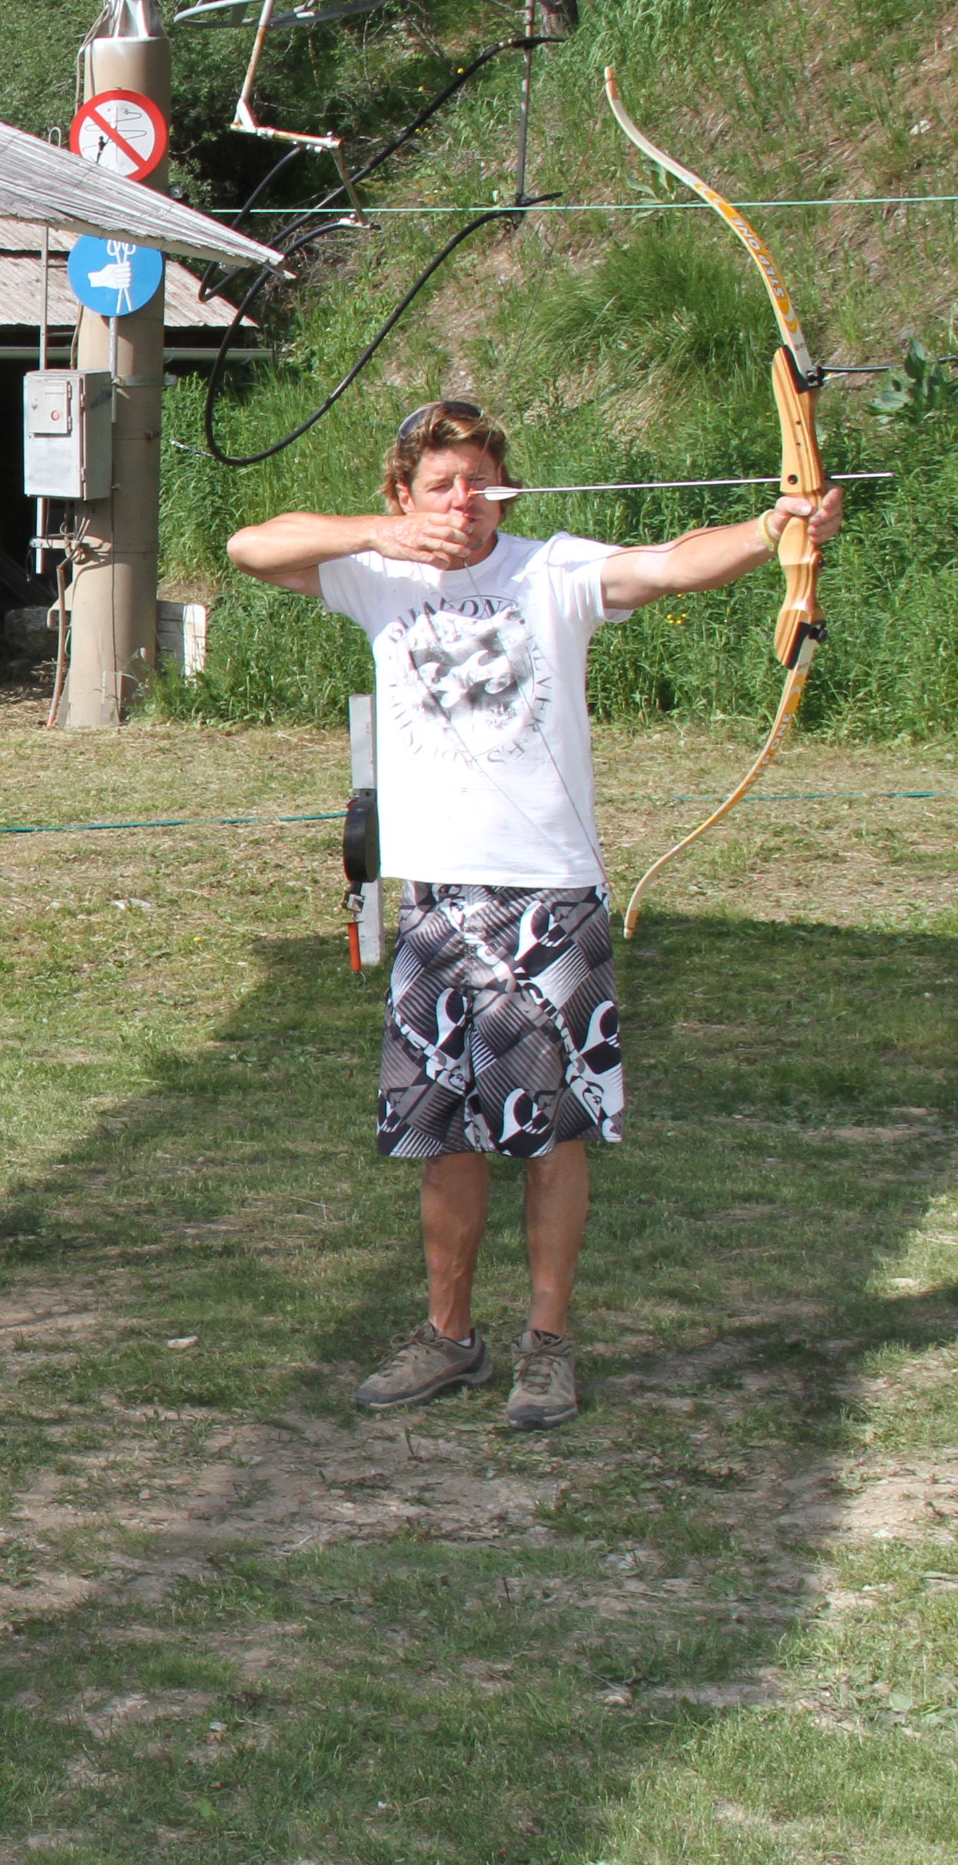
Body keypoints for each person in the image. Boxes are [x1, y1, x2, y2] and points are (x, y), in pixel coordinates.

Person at [226, 399, 842, 1430]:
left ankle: (547, 1346)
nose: (465, 504)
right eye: (441, 486)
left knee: (550, 1132)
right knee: (443, 1134)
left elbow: (673, 562)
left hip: (547, 891)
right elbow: (251, 546)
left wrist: (773, 529)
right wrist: (382, 539)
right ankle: (448, 1338)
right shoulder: (377, 575)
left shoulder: (551, 570)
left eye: (481, 483)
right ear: (403, 495)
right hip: (435, 898)